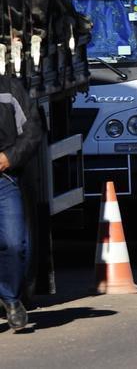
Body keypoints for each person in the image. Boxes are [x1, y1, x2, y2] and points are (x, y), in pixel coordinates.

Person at [0, 79, 40, 333]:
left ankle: (11, 299)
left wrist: (9, 158)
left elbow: (32, 131)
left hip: (5, 181)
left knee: (15, 244)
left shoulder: (9, 89)